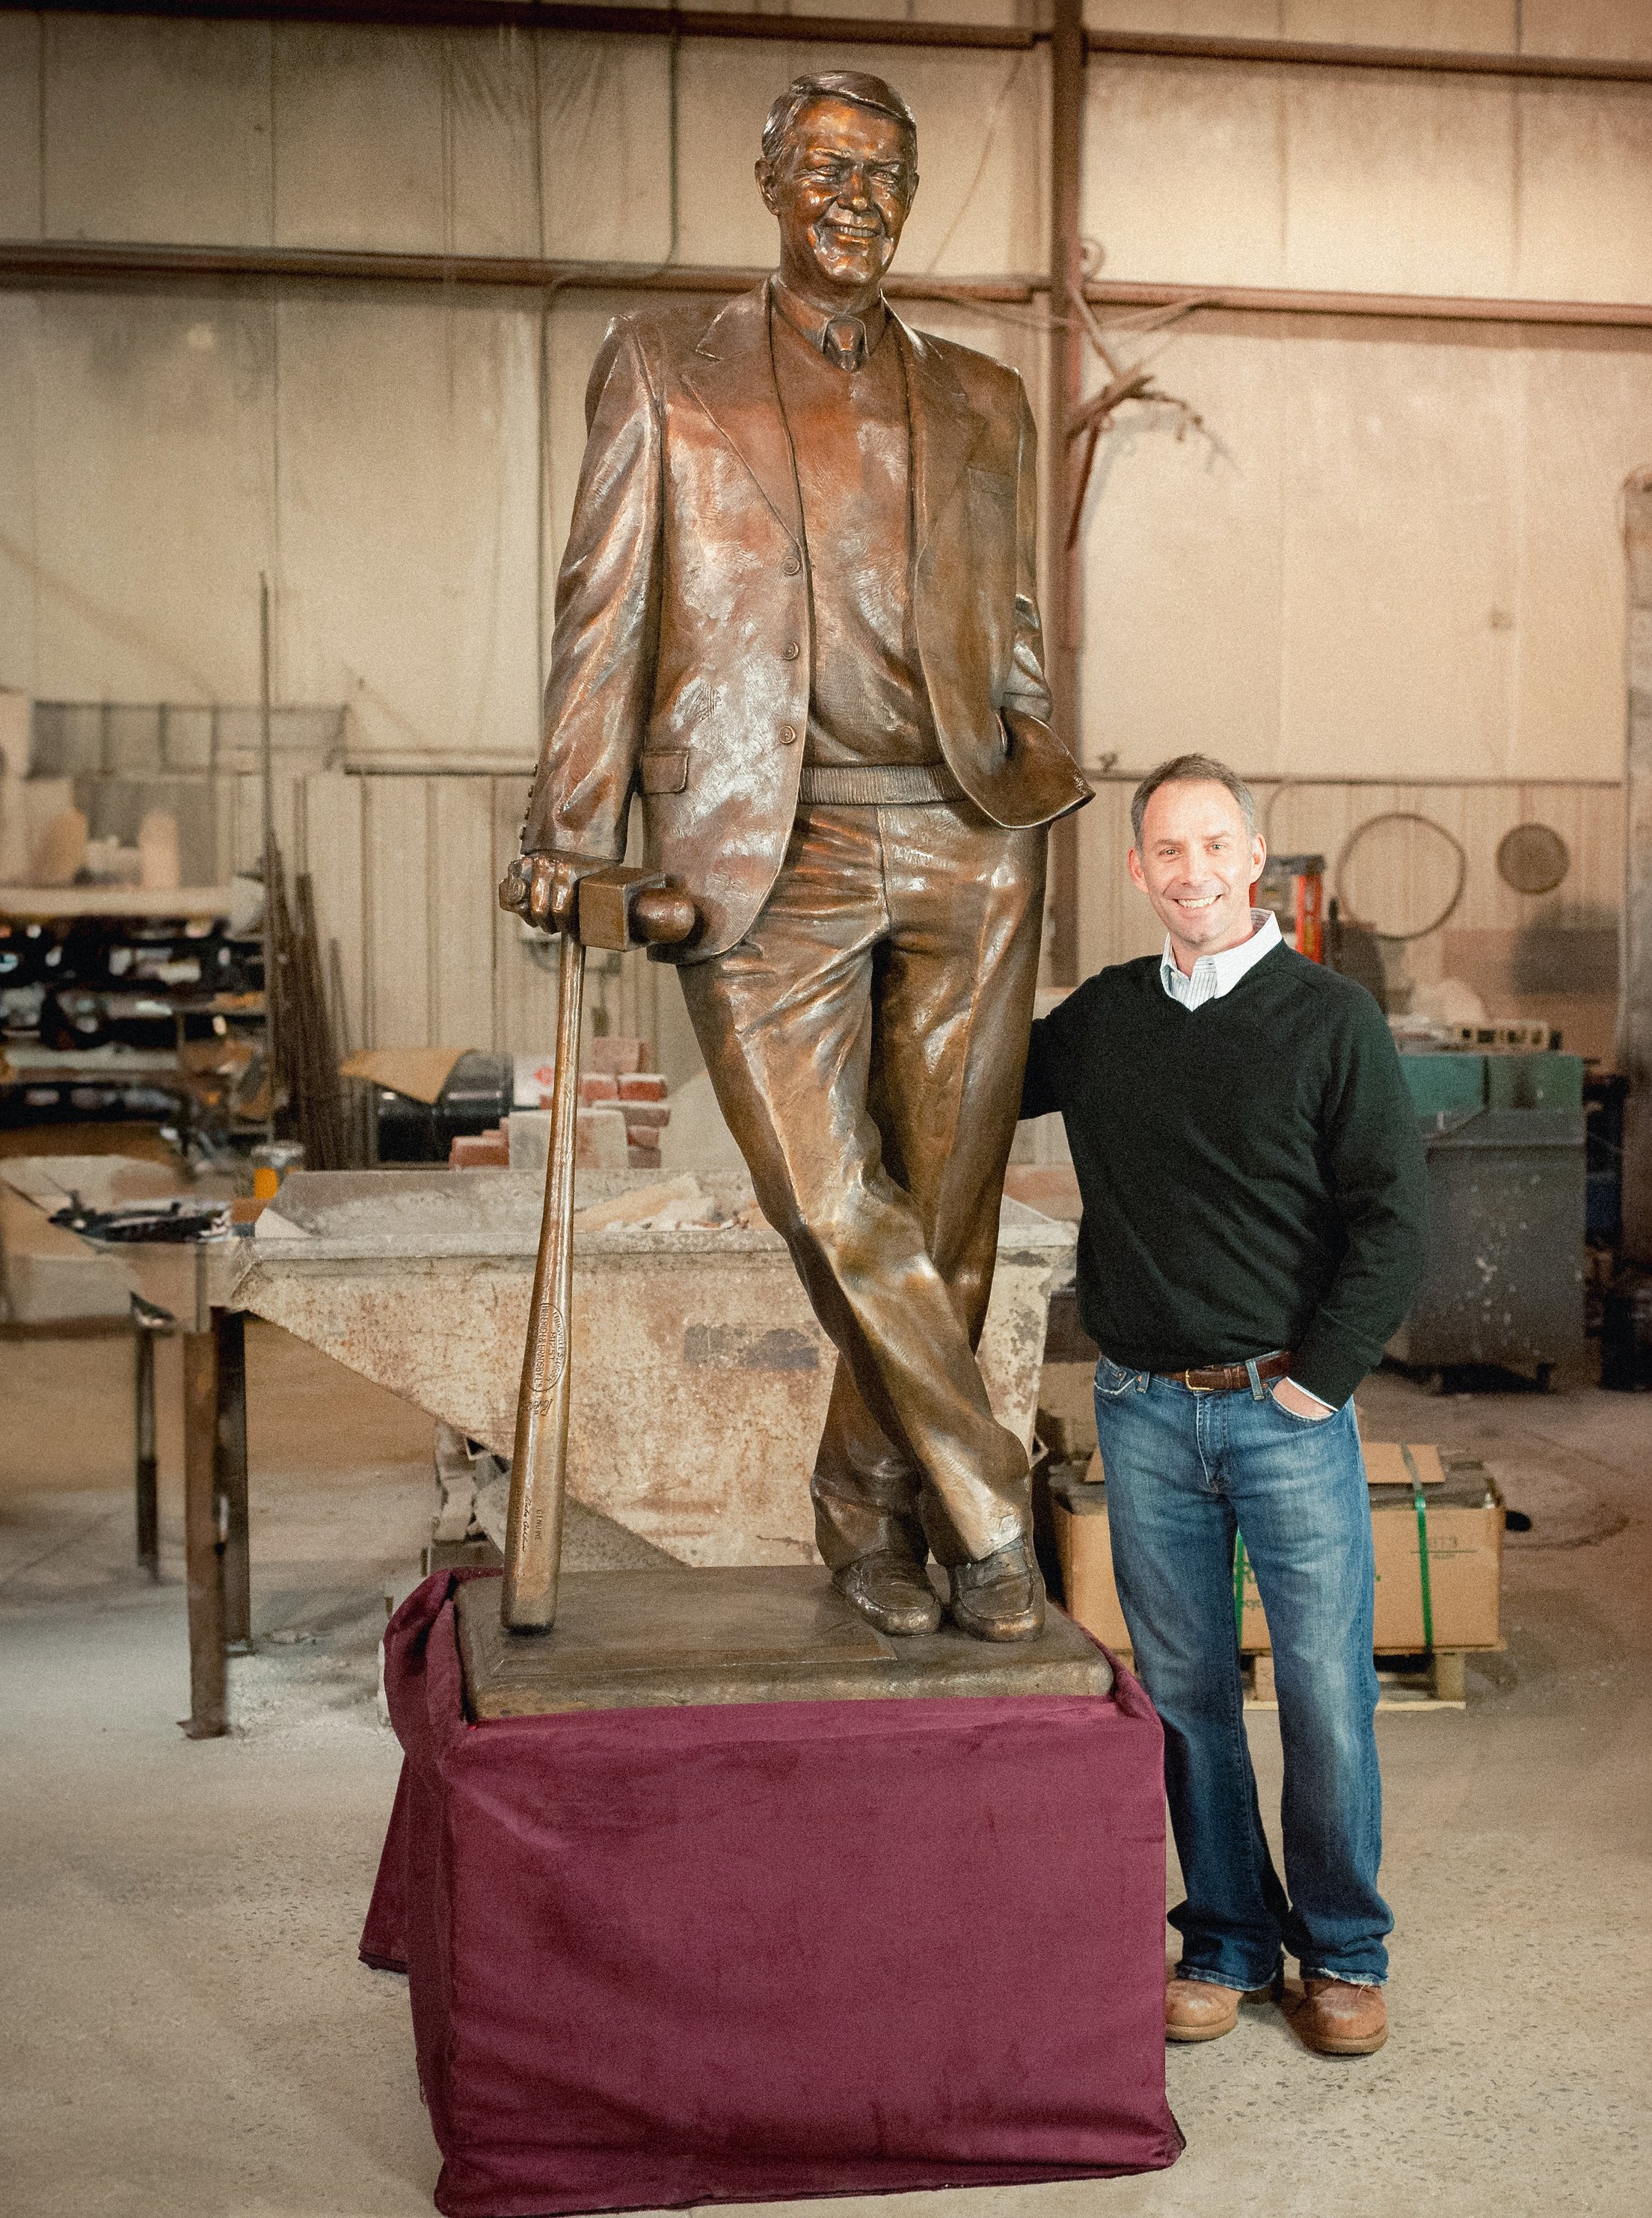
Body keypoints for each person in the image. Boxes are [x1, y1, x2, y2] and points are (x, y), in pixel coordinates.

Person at [506, 71, 1090, 1641]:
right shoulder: (665, 366)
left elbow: (1009, 621)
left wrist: (1029, 743)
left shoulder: (985, 396)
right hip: (766, 844)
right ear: (770, 182)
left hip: (968, 831)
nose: (856, 198)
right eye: (826, 168)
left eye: (884, 173)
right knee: (831, 1199)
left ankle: (868, 1512)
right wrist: (569, 833)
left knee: (949, 1221)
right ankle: (991, 1506)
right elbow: (604, 605)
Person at [1019, 755, 1427, 2055]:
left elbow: (1393, 1221)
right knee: (1188, 1692)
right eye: (1167, 850)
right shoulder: (1101, 1019)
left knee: (1322, 1687)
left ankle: (1343, 1951)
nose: (1191, 871)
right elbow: (961, 1074)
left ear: (1255, 858)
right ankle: (1228, 1940)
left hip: (1282, 1407)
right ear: (1136, 870)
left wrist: (1319, 1379)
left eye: (1213, 845)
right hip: (1141, 1412)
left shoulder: (1331, 1018)